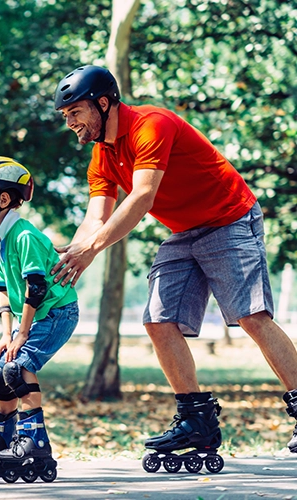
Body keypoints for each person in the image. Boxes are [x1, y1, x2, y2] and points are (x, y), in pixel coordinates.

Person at [51, 65, 297, 470]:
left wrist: (91, 249)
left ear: (103, 102)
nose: (70, 123)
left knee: (251, 317)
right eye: (66, 117)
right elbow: (95, 218)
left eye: (75, 112)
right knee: (158, 320)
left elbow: (144, 196)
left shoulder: (153, 124)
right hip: (186, 231)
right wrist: (72, 255)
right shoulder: (102, 156)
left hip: (230, 218)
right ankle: (196, 421)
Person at [0, 156, 79, 484]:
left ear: (3, 199)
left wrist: (23, 333)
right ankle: (2, 438)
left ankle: (35, 442)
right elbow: (2, 289)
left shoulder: (23, 236)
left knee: (17, 369)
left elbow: (35, 288)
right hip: (33, 317)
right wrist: (7, 335)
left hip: (57, 312)